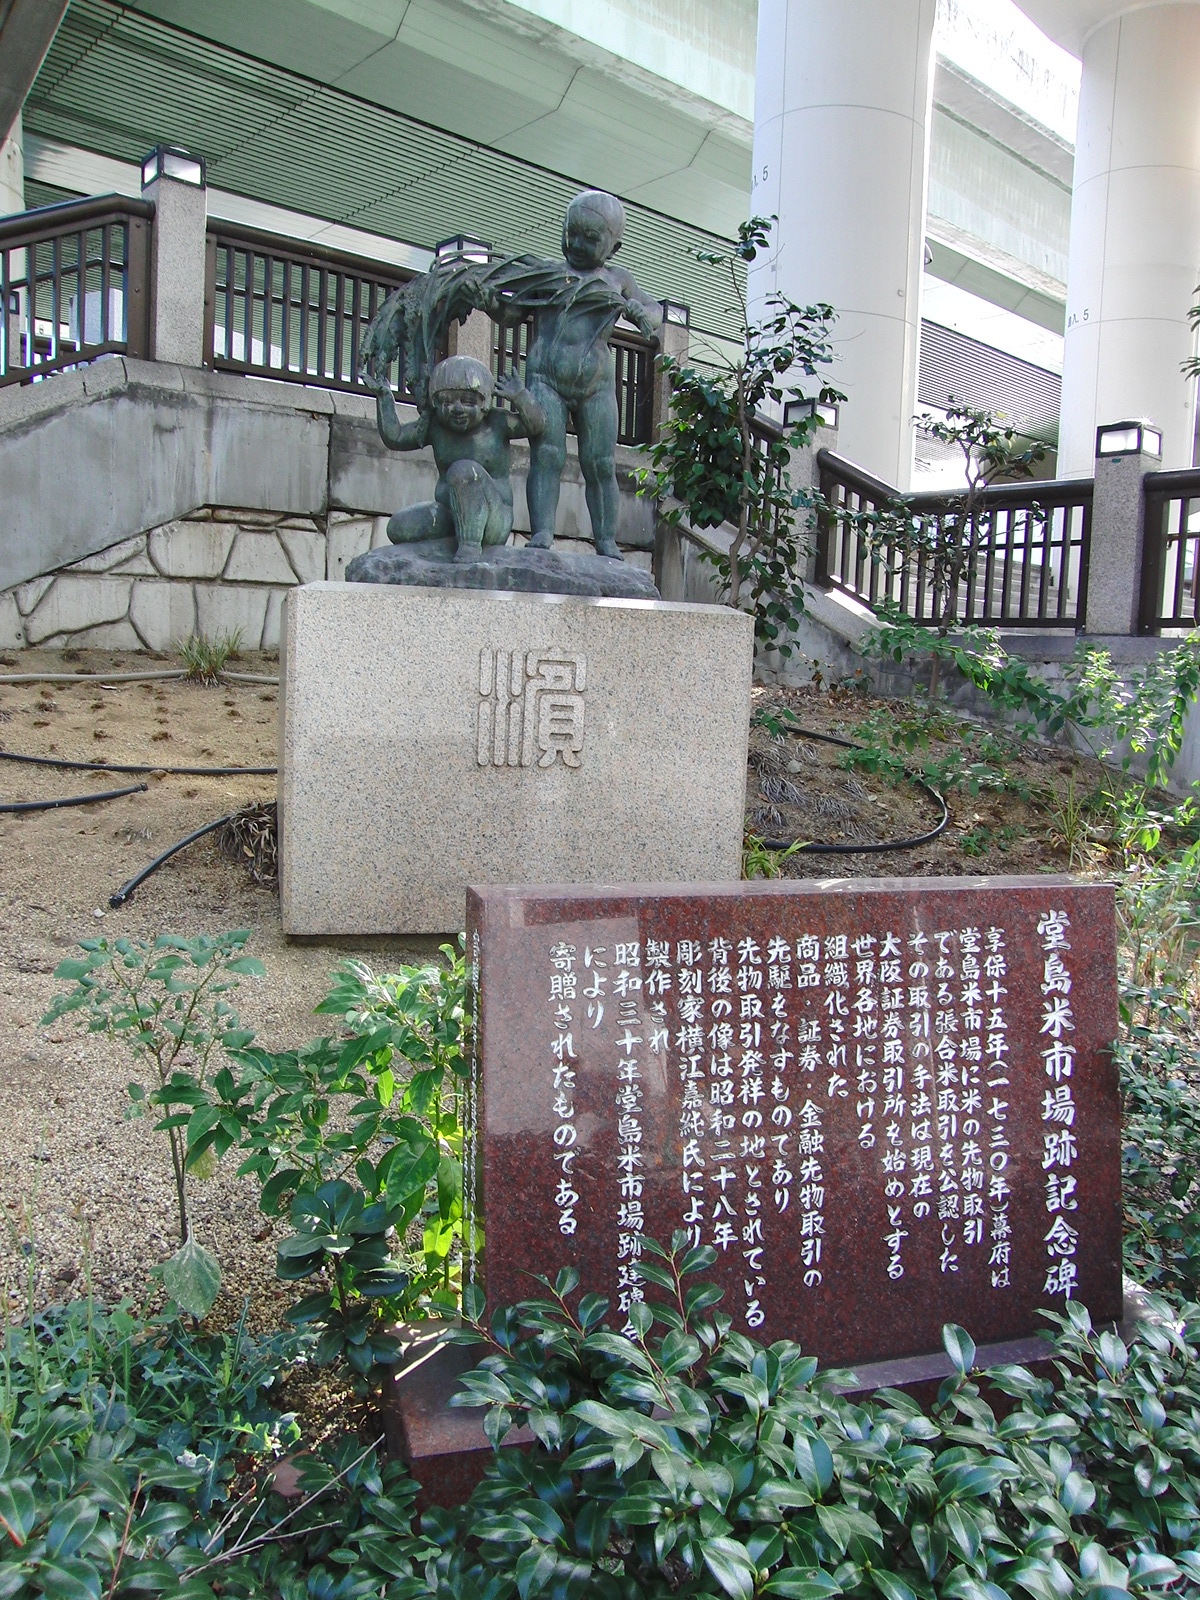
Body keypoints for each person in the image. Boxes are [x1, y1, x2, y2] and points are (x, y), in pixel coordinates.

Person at [516, 190, 661, 558]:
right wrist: (490, 300)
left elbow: (656, 312)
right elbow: (509, 313)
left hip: (596, 384)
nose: (577, 244)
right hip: (546, 377)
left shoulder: (618, 279)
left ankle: (606, 541)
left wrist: (635, 309)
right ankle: (543, 533)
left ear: (613, 246)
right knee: (547, 455)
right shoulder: (550, 273)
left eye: (590, 238)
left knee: (600, 464)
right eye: (571, 233)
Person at [362, 355, 544, 562]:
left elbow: (536, 425)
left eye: (468, 402)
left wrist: (520, 396)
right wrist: (385, 397)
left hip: (493, 519)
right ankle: (454, 539)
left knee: (464, 471)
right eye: (447, 402)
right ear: (436, 404)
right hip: (449, 513)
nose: (457, 409)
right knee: (399, 527)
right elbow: (396, 437)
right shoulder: (435, 427)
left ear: (484, 403)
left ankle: (470, 547)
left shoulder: (498, 423)